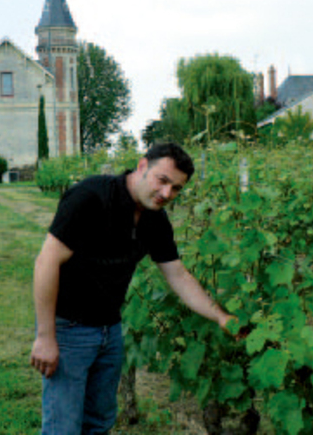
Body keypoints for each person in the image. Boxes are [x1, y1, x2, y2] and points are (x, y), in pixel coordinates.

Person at [30, 142, 234, 434]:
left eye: (176, 188)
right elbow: (46, 262)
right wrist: (45, 337)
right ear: (142, 166)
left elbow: (177, 275)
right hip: (68, 330)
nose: (167, 193)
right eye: (162, 180)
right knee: (63, 427)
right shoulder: (91, 197)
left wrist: (220, 315)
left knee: (99, 422)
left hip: (110, 330)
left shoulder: (155, 219)